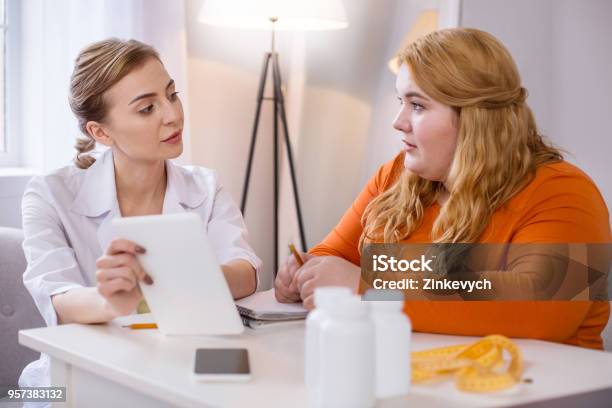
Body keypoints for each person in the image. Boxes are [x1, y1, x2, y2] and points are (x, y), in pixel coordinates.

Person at [275, 28, 610, 350]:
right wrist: (305, 273)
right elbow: (334, 257)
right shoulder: (394, 176)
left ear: (474, 119)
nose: (398, 121)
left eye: (417, 105)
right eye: (400, 101)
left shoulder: (563, 190)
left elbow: (544, 305)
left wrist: (370, 285)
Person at [20, 39, 261, 387]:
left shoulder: (205, 187)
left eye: (172, 94)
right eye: (147, 108)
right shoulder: (49, 194)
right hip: (68, 382)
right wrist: (108, 300)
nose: (173, 115)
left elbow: (246, 272)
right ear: (100, 132)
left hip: (174, 369)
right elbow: (58, 298)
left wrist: (178, 277)